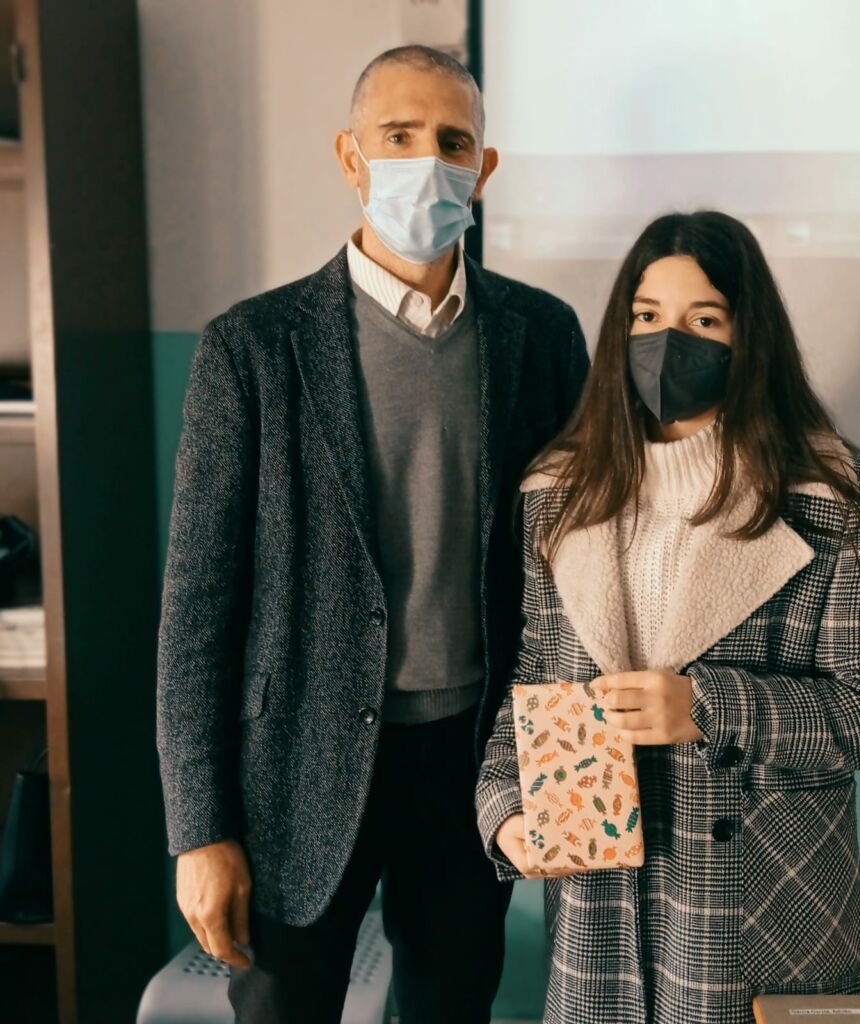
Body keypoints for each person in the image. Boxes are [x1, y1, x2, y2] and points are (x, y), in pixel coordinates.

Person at [156, 45, 588, 1024]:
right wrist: (199, 828)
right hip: (295, 762)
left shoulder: (541, 335)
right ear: (350, 157)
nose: (427, 161)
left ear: (483, 168)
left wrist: (563, 777)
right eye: (398, 136)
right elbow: (196, 607)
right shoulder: (252, 346)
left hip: (476, 758)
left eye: (452, 141)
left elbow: (575, 571)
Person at [476, 210, 860, 1024]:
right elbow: (531, 679)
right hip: (599, 913)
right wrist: (503, 805)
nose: (666, 342)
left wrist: (709, 706)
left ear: (749, 336)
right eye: (645, 317)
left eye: (703, 320)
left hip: (767, 909)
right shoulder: (557, 490)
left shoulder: (828, 488)